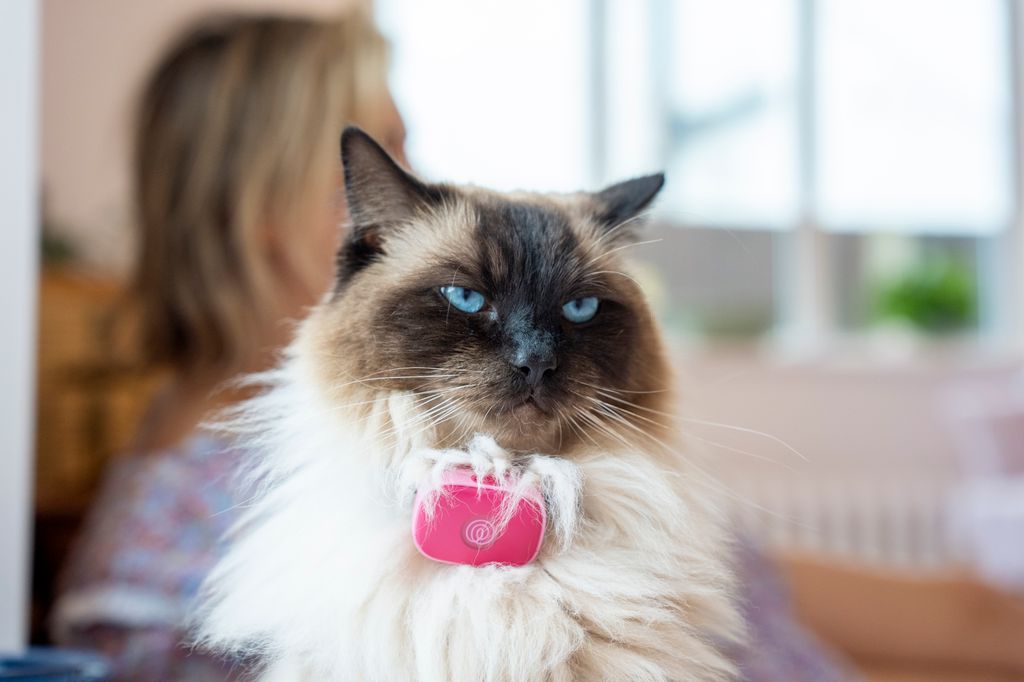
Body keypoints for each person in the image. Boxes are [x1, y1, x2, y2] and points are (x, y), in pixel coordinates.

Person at [53, 10, 405, 680]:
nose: (421, 199)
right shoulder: (183, 532)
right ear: (259, 207)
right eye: (376, 169)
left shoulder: (245, 455)